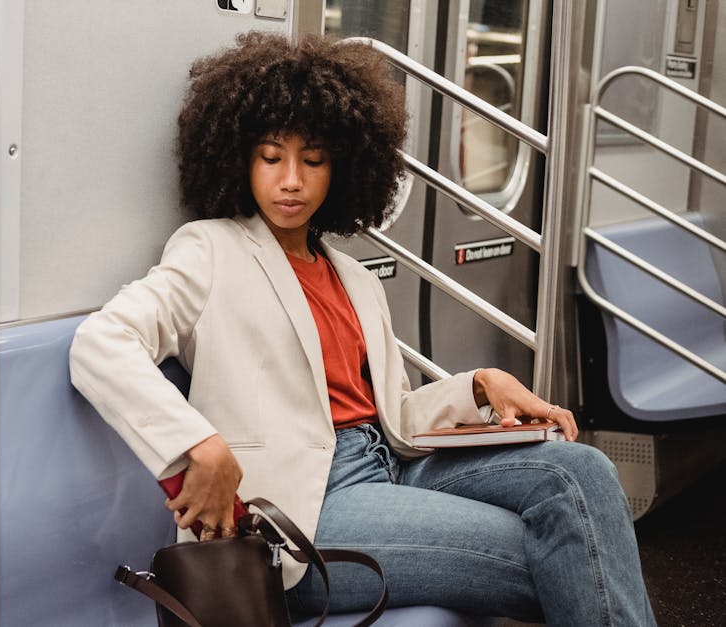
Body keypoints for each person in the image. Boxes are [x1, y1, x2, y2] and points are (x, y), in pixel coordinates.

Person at [70, 32, 656, 626]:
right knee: (564, 550)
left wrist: (479, 384)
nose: (291, 180)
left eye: (314, 160)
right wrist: (195, 444)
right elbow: (101, 344)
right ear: (240, 158)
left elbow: (392, 413)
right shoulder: (210, 249)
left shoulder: (353, 278)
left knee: (581, 473)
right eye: (271, 157)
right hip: (305, 506)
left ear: (344, 167)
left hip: (393, 461)